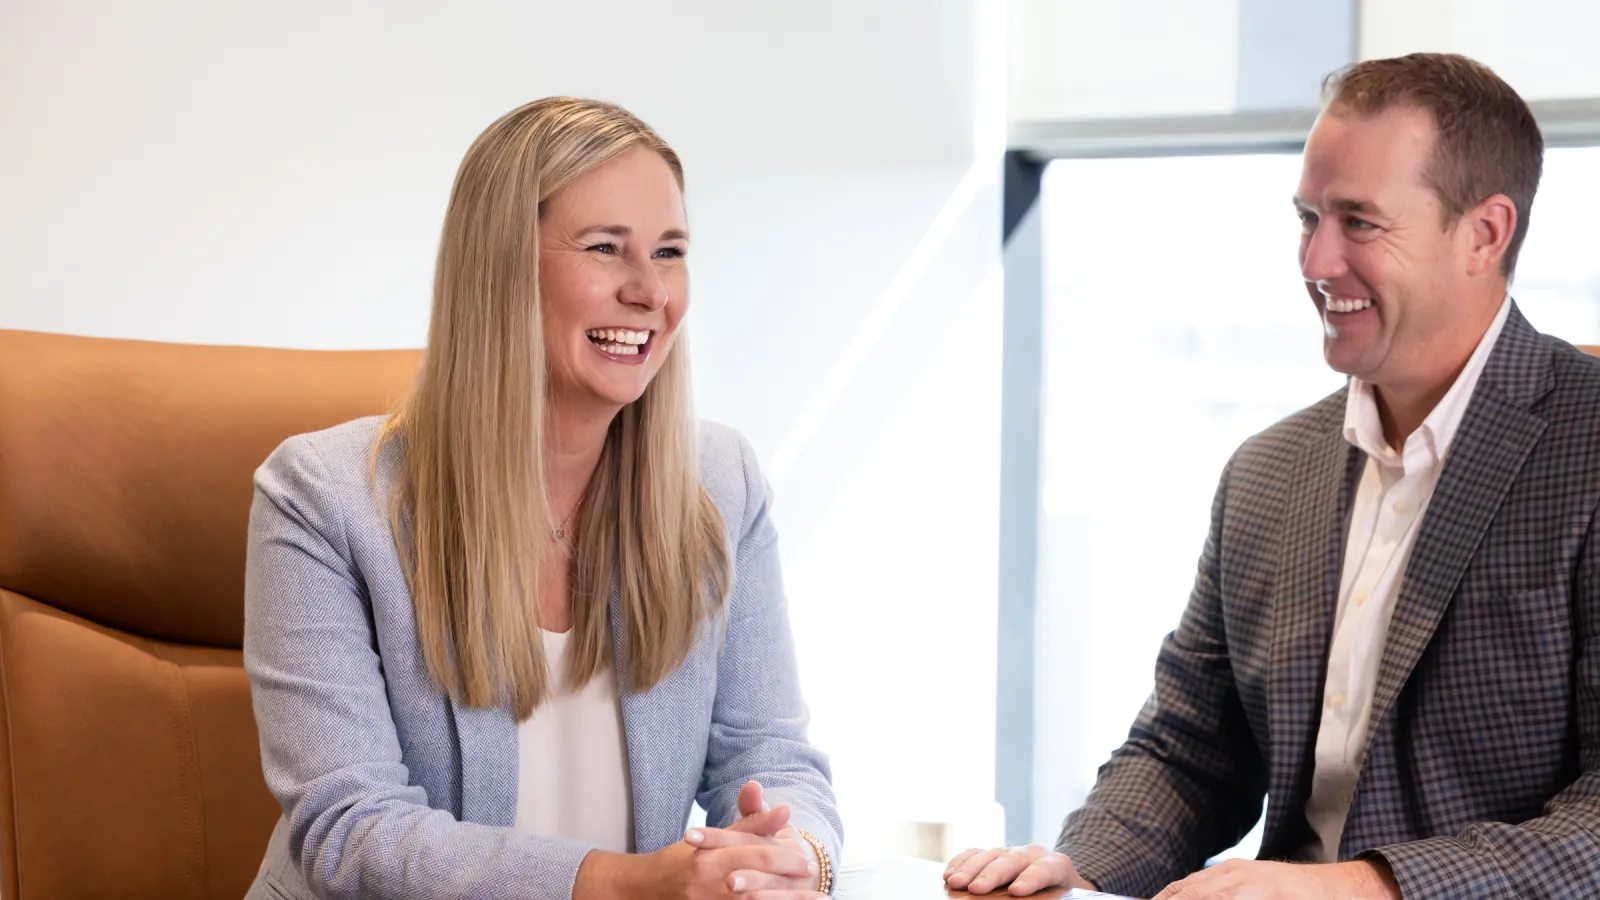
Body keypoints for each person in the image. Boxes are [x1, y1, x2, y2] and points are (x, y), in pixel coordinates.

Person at [946, 53, 1600, 899]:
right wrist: (1078, 869)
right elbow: (1187, 753)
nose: (1316, 261)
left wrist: (1362, 887)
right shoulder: (1267, 474)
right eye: (1307, 218)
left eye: (1359, 222)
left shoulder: (1586, 449)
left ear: (1484, 233)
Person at [242, 97, 838, 900]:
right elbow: (351, 830)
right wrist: (626, 884)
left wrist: (794, 855)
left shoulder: (718, 480)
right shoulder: (321, 499)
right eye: (605, 248)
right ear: (501, 268)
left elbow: (770, 755)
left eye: (669, 251)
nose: (650, 291)